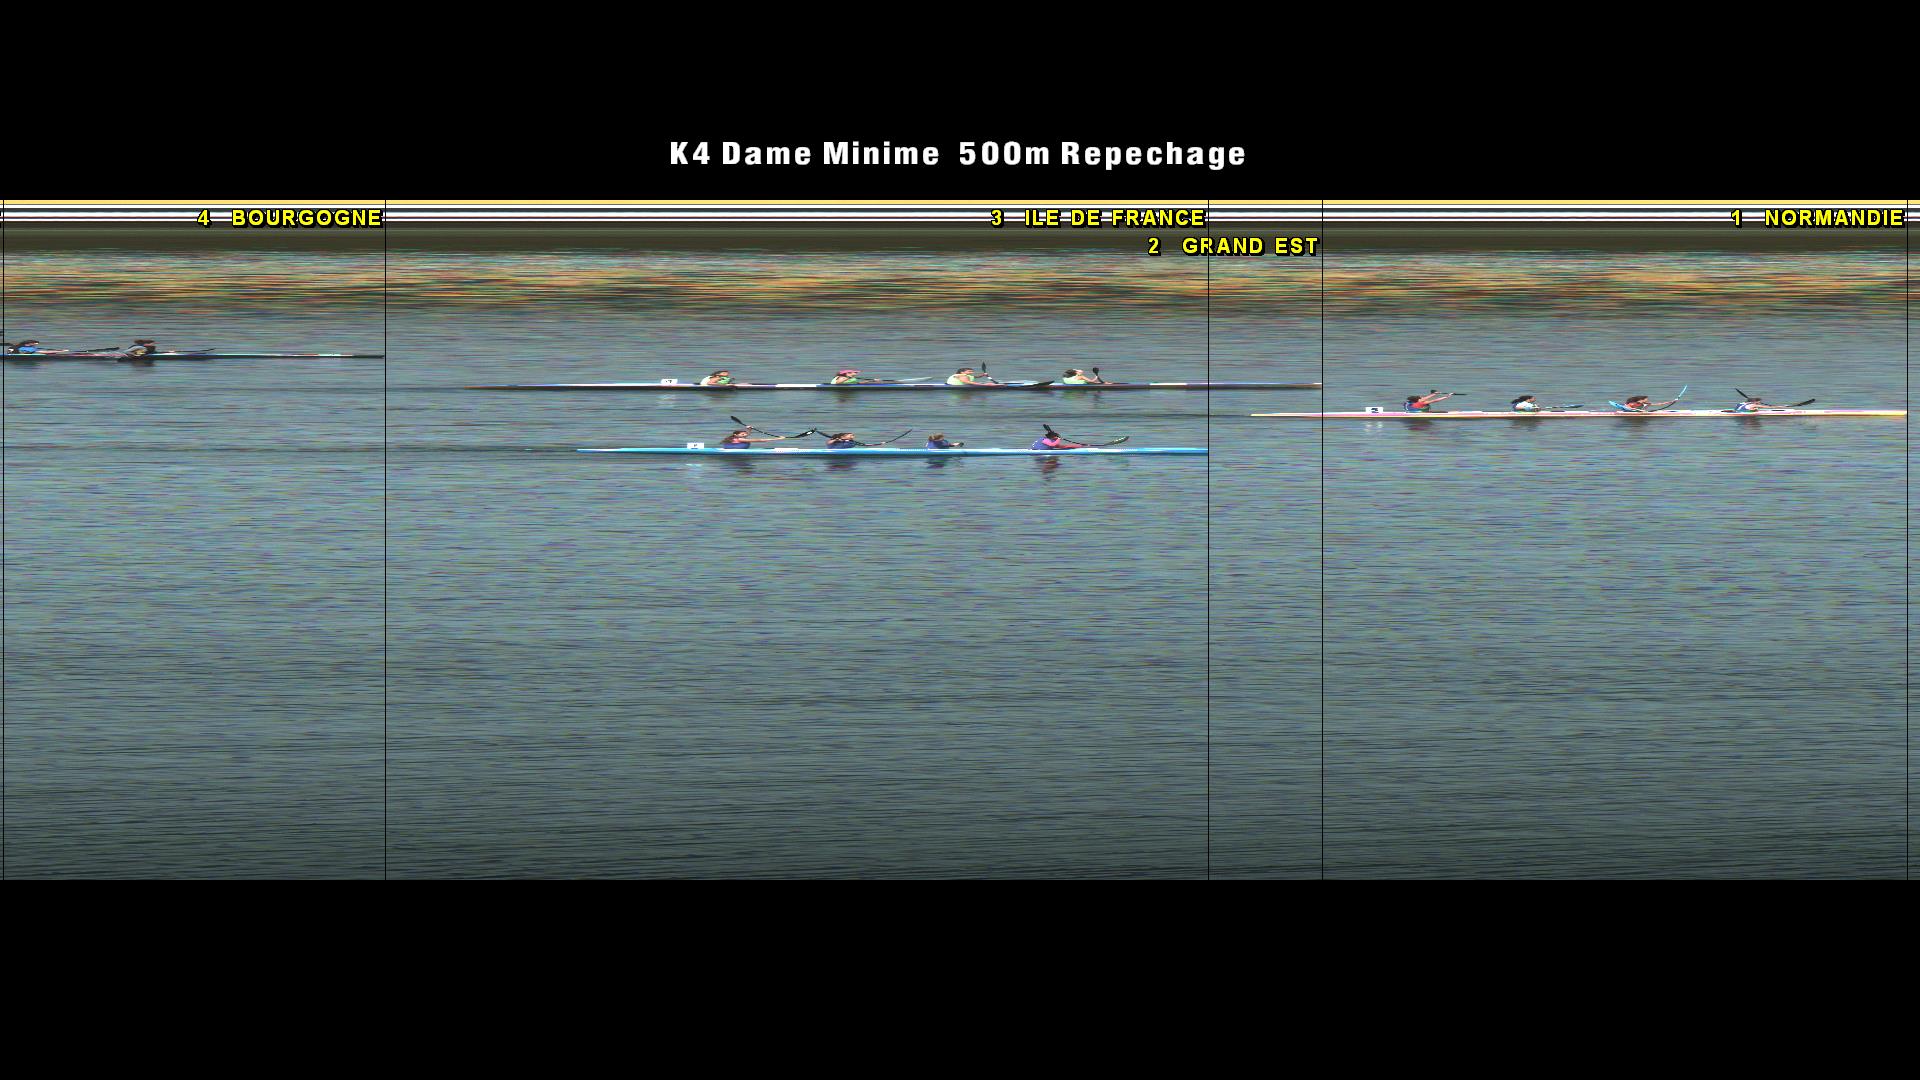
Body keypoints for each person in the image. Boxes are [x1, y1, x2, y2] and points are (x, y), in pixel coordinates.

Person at [717, 428, 788, 449]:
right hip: (734, 450)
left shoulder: (736, 437)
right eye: (743, 434)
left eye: (745, 434)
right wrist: (778, 439)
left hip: (732, 449)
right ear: (736, 435)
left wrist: (749, 429)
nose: (745, 435)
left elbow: (747, 434)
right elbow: (760, 440)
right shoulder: (741, 439)